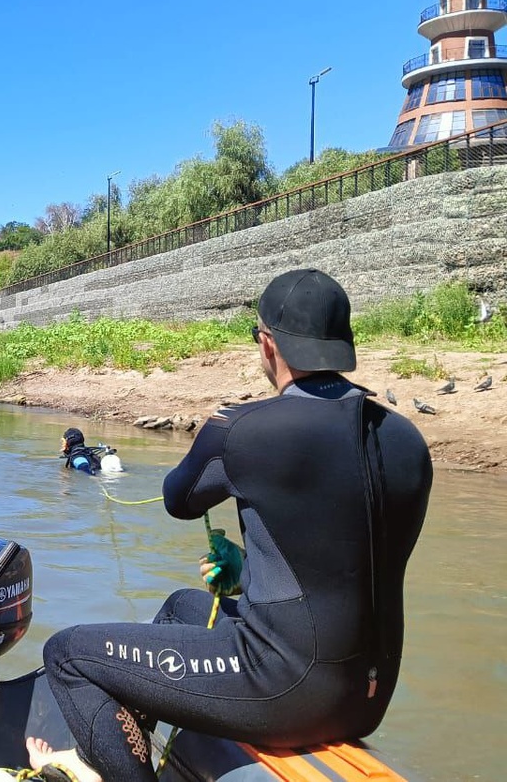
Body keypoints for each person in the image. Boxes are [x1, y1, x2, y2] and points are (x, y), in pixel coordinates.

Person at [31, 269, 432, 782]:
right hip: (367, 696)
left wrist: (221, 429)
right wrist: (247, 569)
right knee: (181, 608)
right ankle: (123, 749)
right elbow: (346, 562)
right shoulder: (408, 439)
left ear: (267, 344)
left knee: (66, 654)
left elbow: (180, 499)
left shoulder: (242, 427)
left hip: (287, 689)